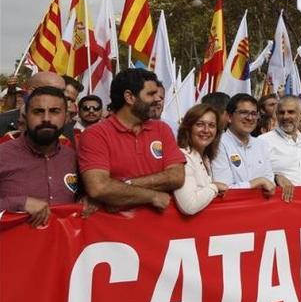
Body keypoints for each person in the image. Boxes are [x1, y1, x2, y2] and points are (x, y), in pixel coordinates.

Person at [79, 69, 185, 210]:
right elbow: (99, 187)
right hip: (115, 228)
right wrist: (151, 196)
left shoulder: (162, 129)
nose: (158, 99)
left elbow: (176, 176)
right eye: (151, 94)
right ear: (129, 97)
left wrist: (125, 184)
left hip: (163, 228)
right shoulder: (95, 135)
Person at [0, 87, 81, 226]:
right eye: (38, 112)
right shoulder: (3, 154)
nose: (46, 119)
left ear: (67, 117)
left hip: (62, 246)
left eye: (55, 111)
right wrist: (20, 203)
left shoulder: (74, 158)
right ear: (25, 117)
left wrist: (89, 200)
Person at [257, 96, 301, 202]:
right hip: (278, 205)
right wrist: (276, 177)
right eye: (281, 113)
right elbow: (255, 174)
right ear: (276, 115)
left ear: (300, 115)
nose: (285, 117)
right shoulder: (263, 141)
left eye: (291, 112)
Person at [212, 93, 275, 194]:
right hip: (233, 208)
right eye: (243, 112)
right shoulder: (218, 144)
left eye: (254, 114)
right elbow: (224, 189)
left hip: (262, 208)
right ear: (229, 116)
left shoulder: (262, 145)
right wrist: (258, 182)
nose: (249, 118)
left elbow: (270, 184)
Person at [174, 104, 228, 214]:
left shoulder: (206, 158)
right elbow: (189, 206)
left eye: (212, 125)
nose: (206, 130)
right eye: (200, 124)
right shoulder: (182, 157)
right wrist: (215, 187)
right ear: (188, 128)